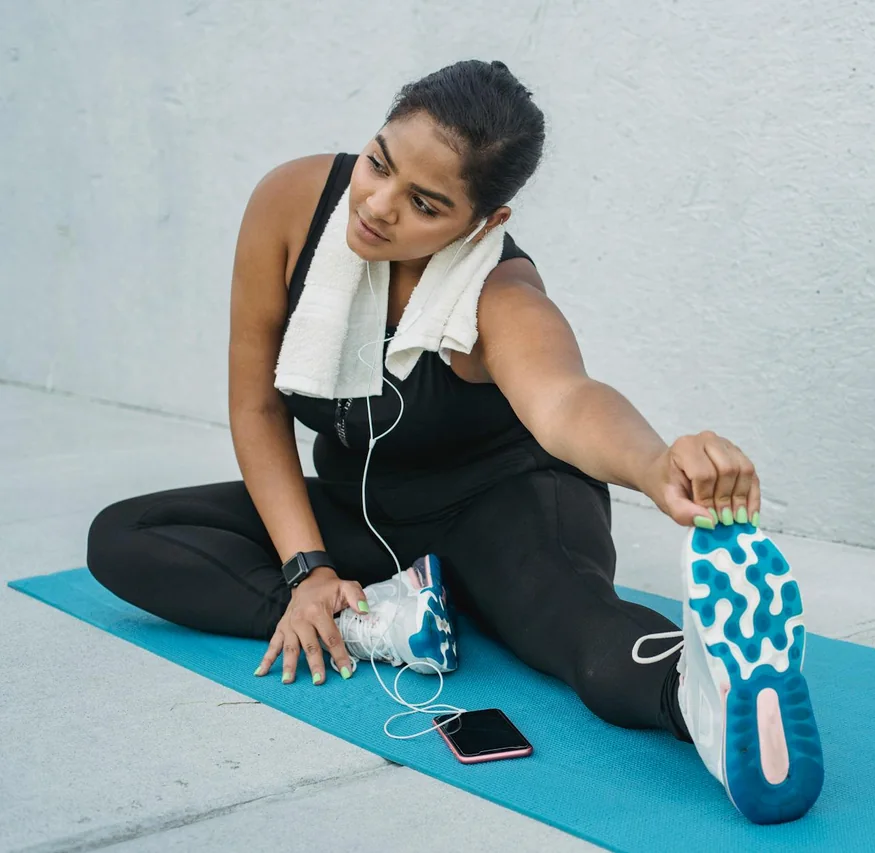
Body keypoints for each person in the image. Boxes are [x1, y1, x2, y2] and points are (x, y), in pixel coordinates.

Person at [86, 60, 822, 824]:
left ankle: (702, 691)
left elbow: (567, 401)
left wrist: (655, 462)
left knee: (576, 629)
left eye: (425, 203)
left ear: (482, 223)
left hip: (504, 507)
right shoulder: (290, 206)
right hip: (364, 508)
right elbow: (256, 407)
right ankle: (382, 616)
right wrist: (308, 570)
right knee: (127, 536)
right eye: (379, 162)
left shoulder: (500, 292)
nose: (377, 206)